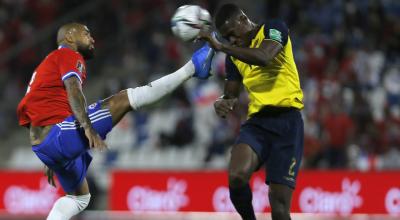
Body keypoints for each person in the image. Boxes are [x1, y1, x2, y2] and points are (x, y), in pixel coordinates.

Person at [16, 22, 214, 220]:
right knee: (125, 98)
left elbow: (35, 112)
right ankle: (193, 67)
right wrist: (87, 127)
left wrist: (52, 153)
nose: (92, 39)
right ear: (69, 37)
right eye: (86, 33)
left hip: (44, 144)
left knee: (80, 198)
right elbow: (73, 89)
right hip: (57, 136)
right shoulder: (68, 55)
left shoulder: (47, 65)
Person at [199, 4, 304, 220]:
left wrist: (220, 46)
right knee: (236, 176)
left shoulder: (273, 28)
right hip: (257, 123)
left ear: (242, 20)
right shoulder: (234, 56)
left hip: (288, 123)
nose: (232, 41)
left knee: (280, 206)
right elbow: (231, 94)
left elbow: (264, 56)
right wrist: (223, 102)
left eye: (232, 35)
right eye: (227, 39)